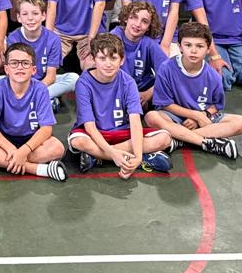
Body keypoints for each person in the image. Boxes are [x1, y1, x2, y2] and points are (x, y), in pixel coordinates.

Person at [69, 33, 173, 176]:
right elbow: (89, 127)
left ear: (122, 60)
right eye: (102, 58)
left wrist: (137, 156)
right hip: (96, 133)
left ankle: (98, 157)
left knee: (165, 139)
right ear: (93, 59)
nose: (108, 64)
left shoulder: (128, 82)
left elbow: (135, 122)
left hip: (123, 133)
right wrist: (113, 153)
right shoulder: (83, 83)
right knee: (78, 142)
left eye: (113, 58)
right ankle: (134, 157)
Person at [144, 21, 242, 160]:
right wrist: (195, 115)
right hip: (174, 116)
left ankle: (179, 140)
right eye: (188, 45)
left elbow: (216, 106)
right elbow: (165, 104)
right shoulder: (166, 68)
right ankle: (204, 142)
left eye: (199, 46)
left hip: (201, 118)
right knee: (151, 117)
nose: (193, 51)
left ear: (208, 49)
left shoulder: (213, 76)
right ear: (180, 47)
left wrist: (202, 116)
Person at [0, 43, 68, 180]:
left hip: (31, 141)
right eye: (14, 63)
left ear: (33, 70)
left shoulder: (40, 90)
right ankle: (38, 169)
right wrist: (12, 150)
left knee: (57, 148)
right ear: (6, 69)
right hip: (4, 141)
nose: (20, 67)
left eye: (25, 63)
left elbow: (46, 129)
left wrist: (24, 150)